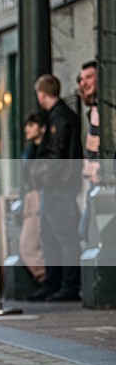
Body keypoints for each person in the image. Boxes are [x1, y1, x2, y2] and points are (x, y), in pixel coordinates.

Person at [31, 74, 83, 301]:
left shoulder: (59, 118)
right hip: (56, 185)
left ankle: (69, 284)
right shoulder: (58, 116)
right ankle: (53, 282)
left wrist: (42, 176)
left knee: (64, 236)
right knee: (50, 236)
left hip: (59, 186)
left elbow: (56, 155)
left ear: (42, 94)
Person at [19, 114, 46, 290]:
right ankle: (43, 278)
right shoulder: (29, 150)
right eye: (26, 125)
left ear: (41, 127)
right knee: (27, 244)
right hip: (30, 196)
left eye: (31, 125)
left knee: (39, 241)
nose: (26, 129)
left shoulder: (46, 149)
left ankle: (45, 278)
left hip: (42, 193)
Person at [77, 60, 99, 245]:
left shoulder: (102, 110)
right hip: (94, 183)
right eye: (81, 79)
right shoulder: (93, 110)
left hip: (103, 182)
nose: (83, 83)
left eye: (89, 77)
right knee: (85, 232)